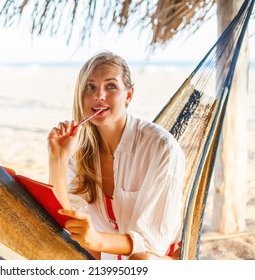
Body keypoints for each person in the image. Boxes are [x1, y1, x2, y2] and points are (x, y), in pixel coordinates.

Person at [47, 51, 185, 260]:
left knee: (140, 261)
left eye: (111, 86)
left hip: (162, 257)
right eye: (90, 87)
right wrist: (58, 158)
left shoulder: (161, 147)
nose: (98, 95)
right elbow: (64, 218)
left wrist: (96, 240)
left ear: (129, 95)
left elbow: (154, 242)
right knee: (70, 249)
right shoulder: (80, 150)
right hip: (110, 255)